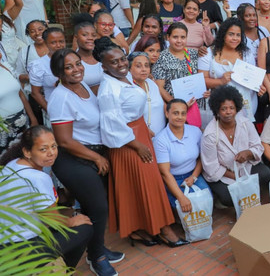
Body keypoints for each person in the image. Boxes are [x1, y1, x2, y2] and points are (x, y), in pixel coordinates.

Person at [94, 38, 184, 247]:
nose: (121, 64)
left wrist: (145, 129)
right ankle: (162, 229)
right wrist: (137, 144)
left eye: (122, 59)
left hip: (139, 132)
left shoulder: (124, 79)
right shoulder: (109, 89)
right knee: (145, 182)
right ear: (104, 66)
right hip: (128, 142)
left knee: (138, 185)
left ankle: (138, 229)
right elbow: (112, 126)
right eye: (114, 62)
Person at [46, 49, 121, 275]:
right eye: (69, 67)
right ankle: (96, 257)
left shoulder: (83, 85)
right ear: (59, 73)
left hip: (91, 153)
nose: (77, 69)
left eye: (78, 64)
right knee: (98, 208)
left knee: (95, 207)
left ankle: (97, 247)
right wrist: (97, 157)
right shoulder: (60, 98)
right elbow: (64, 141)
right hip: (74, 159)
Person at [0, 127, 93, 270]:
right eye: (43, 149)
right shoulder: (38, 178)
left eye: (53, 146)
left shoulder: (12, 164)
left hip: (5, 244)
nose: (51, 153)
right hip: (24, 249)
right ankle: (65, 270)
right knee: (84, 228)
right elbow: (53, 220)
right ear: (27, 152)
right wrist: (72, 220)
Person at [200, 85, 270, 206]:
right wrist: (236, 176)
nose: (228, 112)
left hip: (245, 167)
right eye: (223, 109)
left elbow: (258, 146)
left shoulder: (245, 123)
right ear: (217, 110)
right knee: (228, 197)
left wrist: (248, 154)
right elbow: (211, 167)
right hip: (224, 174)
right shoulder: (210, 134)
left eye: (231, 108)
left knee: (266, 174)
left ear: (237, 108)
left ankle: (248, 192)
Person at [200, 17, 262, 122]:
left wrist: (259, 86)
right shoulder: (208, 53)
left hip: (246, 103)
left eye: (238, 35)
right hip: (219, 105)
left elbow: (253, 77)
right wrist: (220, 81)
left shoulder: (247, 54)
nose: (235, 38)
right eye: (231, 34)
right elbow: (201, 80)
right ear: (223, 35)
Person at [154, 99, 211, 212]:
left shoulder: (195, 131)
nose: (179, 117)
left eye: (183, 113)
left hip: (194, 174)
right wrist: (181, 197)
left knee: (207, 201)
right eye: (175, 113)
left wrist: (194, 177)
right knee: (185, 208)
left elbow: (201, 158)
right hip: (173, 179)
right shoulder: (160, 140)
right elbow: (165, 173)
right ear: (167, 113)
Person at [153, 22, 209, 116]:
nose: (179, 41)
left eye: (183, 37)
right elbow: (159, 87)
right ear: (168, 37)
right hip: (175, 110)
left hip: (196, 106)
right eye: (175, 37)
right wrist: (177, 105)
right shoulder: (161, 58)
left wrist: (204, 91)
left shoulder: (194, 54)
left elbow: (201, 78)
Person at [0, 53, 36, 154]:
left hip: (22, 122)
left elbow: (20, 95)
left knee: (24, 157)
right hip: (3, 130)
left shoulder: (5, 67)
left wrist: (33, 119)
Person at [29, 27, 66, 116]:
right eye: (53, 42)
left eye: (61, 41)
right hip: (55, 109)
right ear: (46, 43)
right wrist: (50, 110)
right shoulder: (39, 65)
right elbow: (35, 93)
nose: (58, 45)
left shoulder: (73, 59)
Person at [129, 51, 166, 135]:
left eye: (146, 65)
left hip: (159, 137)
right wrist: (145, 131)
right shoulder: (128, 88)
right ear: (129, 68)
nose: (144, 69)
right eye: (138, 66)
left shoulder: (152, 83)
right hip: (140, 137)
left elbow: (162, 105)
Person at [73, 22, 103, 90]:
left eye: (94, 35)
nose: (90, 38)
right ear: (76, 37)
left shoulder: (102, 56)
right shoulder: (72, 61)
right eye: (85, 35)